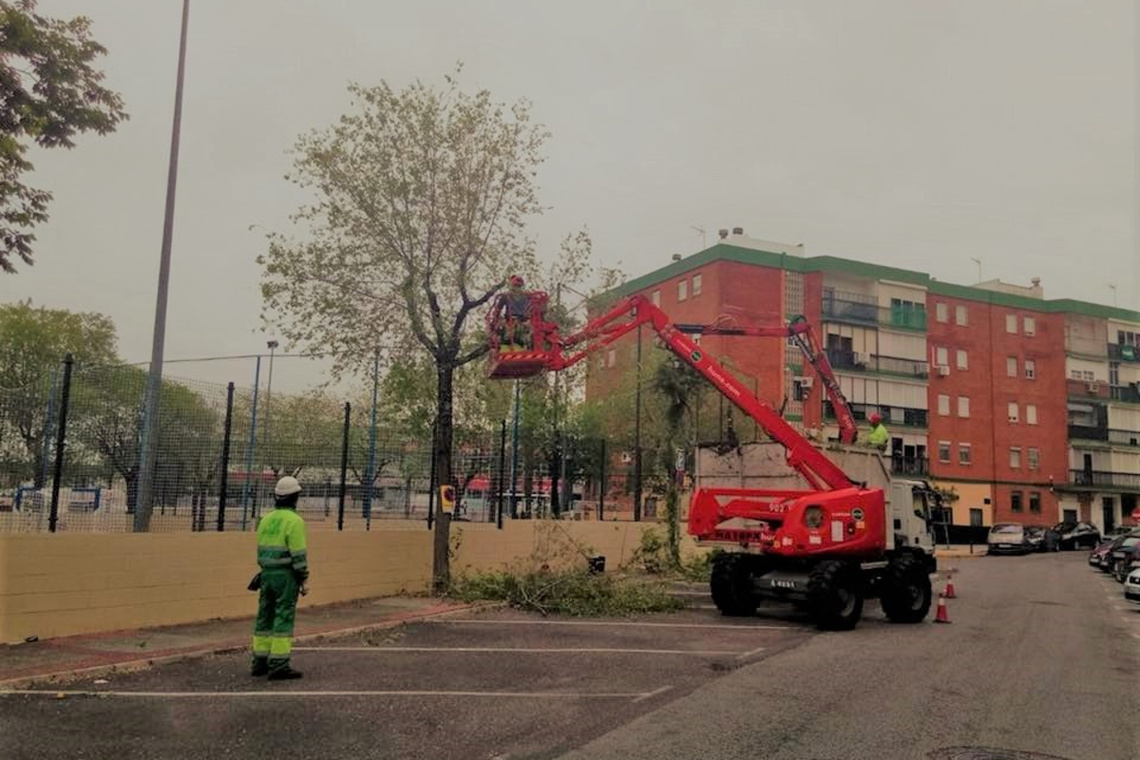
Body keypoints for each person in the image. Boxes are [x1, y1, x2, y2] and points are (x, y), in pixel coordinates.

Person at [251, 476, 309, 680]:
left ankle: (259, 661)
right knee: (283, 617)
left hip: (266, 574)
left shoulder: (265, 520)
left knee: (264, 616)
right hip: (286, 576)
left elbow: (260, 550)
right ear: (295, 497)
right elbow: (299, 556)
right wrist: (303, 578)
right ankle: (279, 664)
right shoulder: (295, 521)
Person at [496, 275, 532, 352]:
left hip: (511, 323)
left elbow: (497, 311)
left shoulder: (505, 296)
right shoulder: (528, 296)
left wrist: (495, 322)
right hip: (523, 323)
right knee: (520, 341)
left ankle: (506, 351)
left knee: (506, 341)